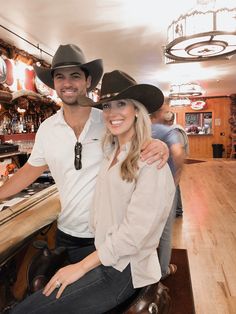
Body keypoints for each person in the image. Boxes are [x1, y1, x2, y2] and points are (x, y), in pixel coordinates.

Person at [11, 70, 175, 314]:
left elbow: (134, 235)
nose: (112, 112)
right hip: (105, 259)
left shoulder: (149, 161)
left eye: (122, 104)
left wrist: (80, 267)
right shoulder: (112, 153)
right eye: (107, 105)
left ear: (137, 110)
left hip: (123, 271)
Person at [0, 44, 169, 265]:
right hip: (67, 232)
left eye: (75, 76)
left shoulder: (108, 120)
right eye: (60, 77)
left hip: (108, 236)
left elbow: (136, 143)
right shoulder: (47, 129)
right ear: (54, 84)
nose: (67, 83)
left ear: (88, 81)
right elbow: (28, 171)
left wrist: (158, 144)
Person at [150, 105, 187, 278]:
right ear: (160, 113)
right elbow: (178, 154)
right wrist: (177, 176)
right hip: (165, 187)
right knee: (165, 232)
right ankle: (163, 269)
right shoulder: (168, 131)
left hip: (144, 188)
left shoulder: (140, 130)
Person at [163, 110, 189, 217]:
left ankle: (177, 210)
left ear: (170, 121)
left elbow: (178, 150)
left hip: (173, 162)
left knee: (174, 185)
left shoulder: (176, 131)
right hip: (171, 162)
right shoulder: (171, 130)